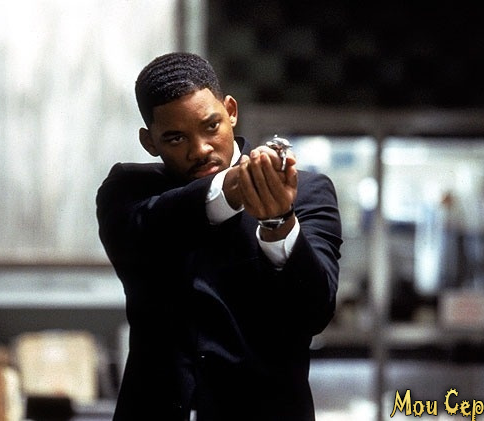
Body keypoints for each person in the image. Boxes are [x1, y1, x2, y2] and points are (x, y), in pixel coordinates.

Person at [96, 52, 342, 421]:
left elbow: (315, 312)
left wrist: (279, 223)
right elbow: (152, 227)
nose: (200, 149)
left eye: (211, 126)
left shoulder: (307, 193)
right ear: (150, 142)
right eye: (176, 138)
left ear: (231, 111)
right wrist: (235, 186)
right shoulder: (130, 191)